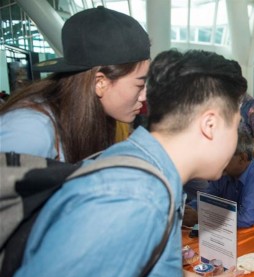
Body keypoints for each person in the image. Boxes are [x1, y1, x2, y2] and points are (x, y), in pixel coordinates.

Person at [0, 49, 248, 277]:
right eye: (236, 124)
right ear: (211, 124)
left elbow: (144, 271)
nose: (236, 139)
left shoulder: (145, 169)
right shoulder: (132, 199)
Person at [0, 6, 150, 163]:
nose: (144, 96)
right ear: (100, 83)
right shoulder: (28, 131)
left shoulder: (92, 117)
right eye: (140, 84)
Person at [187, 129, 254, 230]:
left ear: (242, 158)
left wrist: (199, 217)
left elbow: (245, 219)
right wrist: (187, 210)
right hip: (232, 237)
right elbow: (204, 199)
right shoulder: (225, 172)